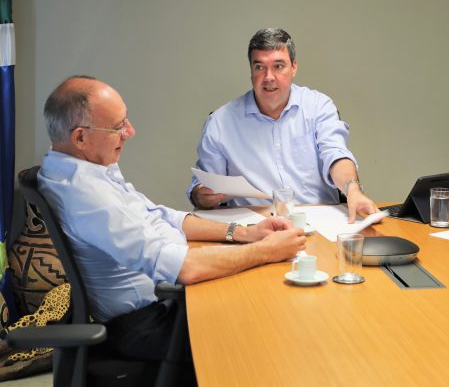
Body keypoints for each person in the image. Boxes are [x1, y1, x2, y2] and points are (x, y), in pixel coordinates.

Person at [38, 75, 306, 361]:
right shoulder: (87, 194)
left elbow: (162, 216)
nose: (130, 131)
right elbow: (184, 268)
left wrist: (244, 233)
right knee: (269, 315)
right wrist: (266, 251)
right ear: (80, 137)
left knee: (264, 295)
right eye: (118, 127)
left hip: (164, 300)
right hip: (146, 323)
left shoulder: (86, 167)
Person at [188, 28, 377, 223]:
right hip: (254, 227)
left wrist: (353, 189)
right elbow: (204, 190)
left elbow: (335, 155)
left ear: (294, 67)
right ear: (251, 71)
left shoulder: (318, 106)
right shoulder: (220, 123)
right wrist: (202, 197)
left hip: (319, 222)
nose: (269, 77)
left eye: (278, 66)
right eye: (259, 67)